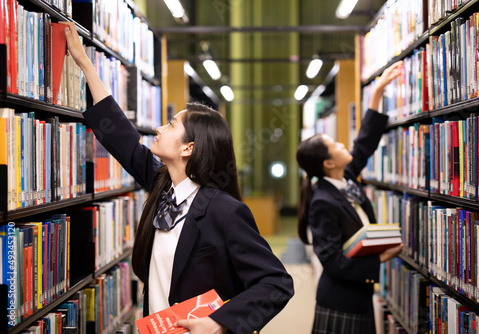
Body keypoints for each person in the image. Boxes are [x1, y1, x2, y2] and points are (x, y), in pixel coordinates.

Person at [62, 22, 294, 334]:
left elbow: (276, 282)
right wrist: (84, 64)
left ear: (188, 147)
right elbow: (121, 137)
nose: (158, 129)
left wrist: (219, 324)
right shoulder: (162, 187)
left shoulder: (225, 212)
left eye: (170, 125)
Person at [296, 61, 404, 334]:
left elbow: (364, 142)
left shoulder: (345, 177)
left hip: (358, 297)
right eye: (335, 145)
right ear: (328, 163)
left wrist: (377, 91)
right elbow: (334, 263)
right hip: (340, 302)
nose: (343, 144)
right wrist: (381, 258)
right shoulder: (322, 202)